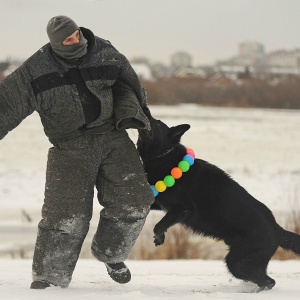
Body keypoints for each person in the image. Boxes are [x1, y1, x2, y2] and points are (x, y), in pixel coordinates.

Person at [0, 16, 154, 289]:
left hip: (112, 138)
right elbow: (6, 104)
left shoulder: (105, 52)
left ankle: (111, 253)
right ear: (54, 43)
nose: (75, 41)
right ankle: (49, 276)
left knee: (135, 201)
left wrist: (138, 117)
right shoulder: (34, 70)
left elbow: (128, 84)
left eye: (76, 35)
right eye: (67, 40)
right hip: (69, 147)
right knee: (65, 216)